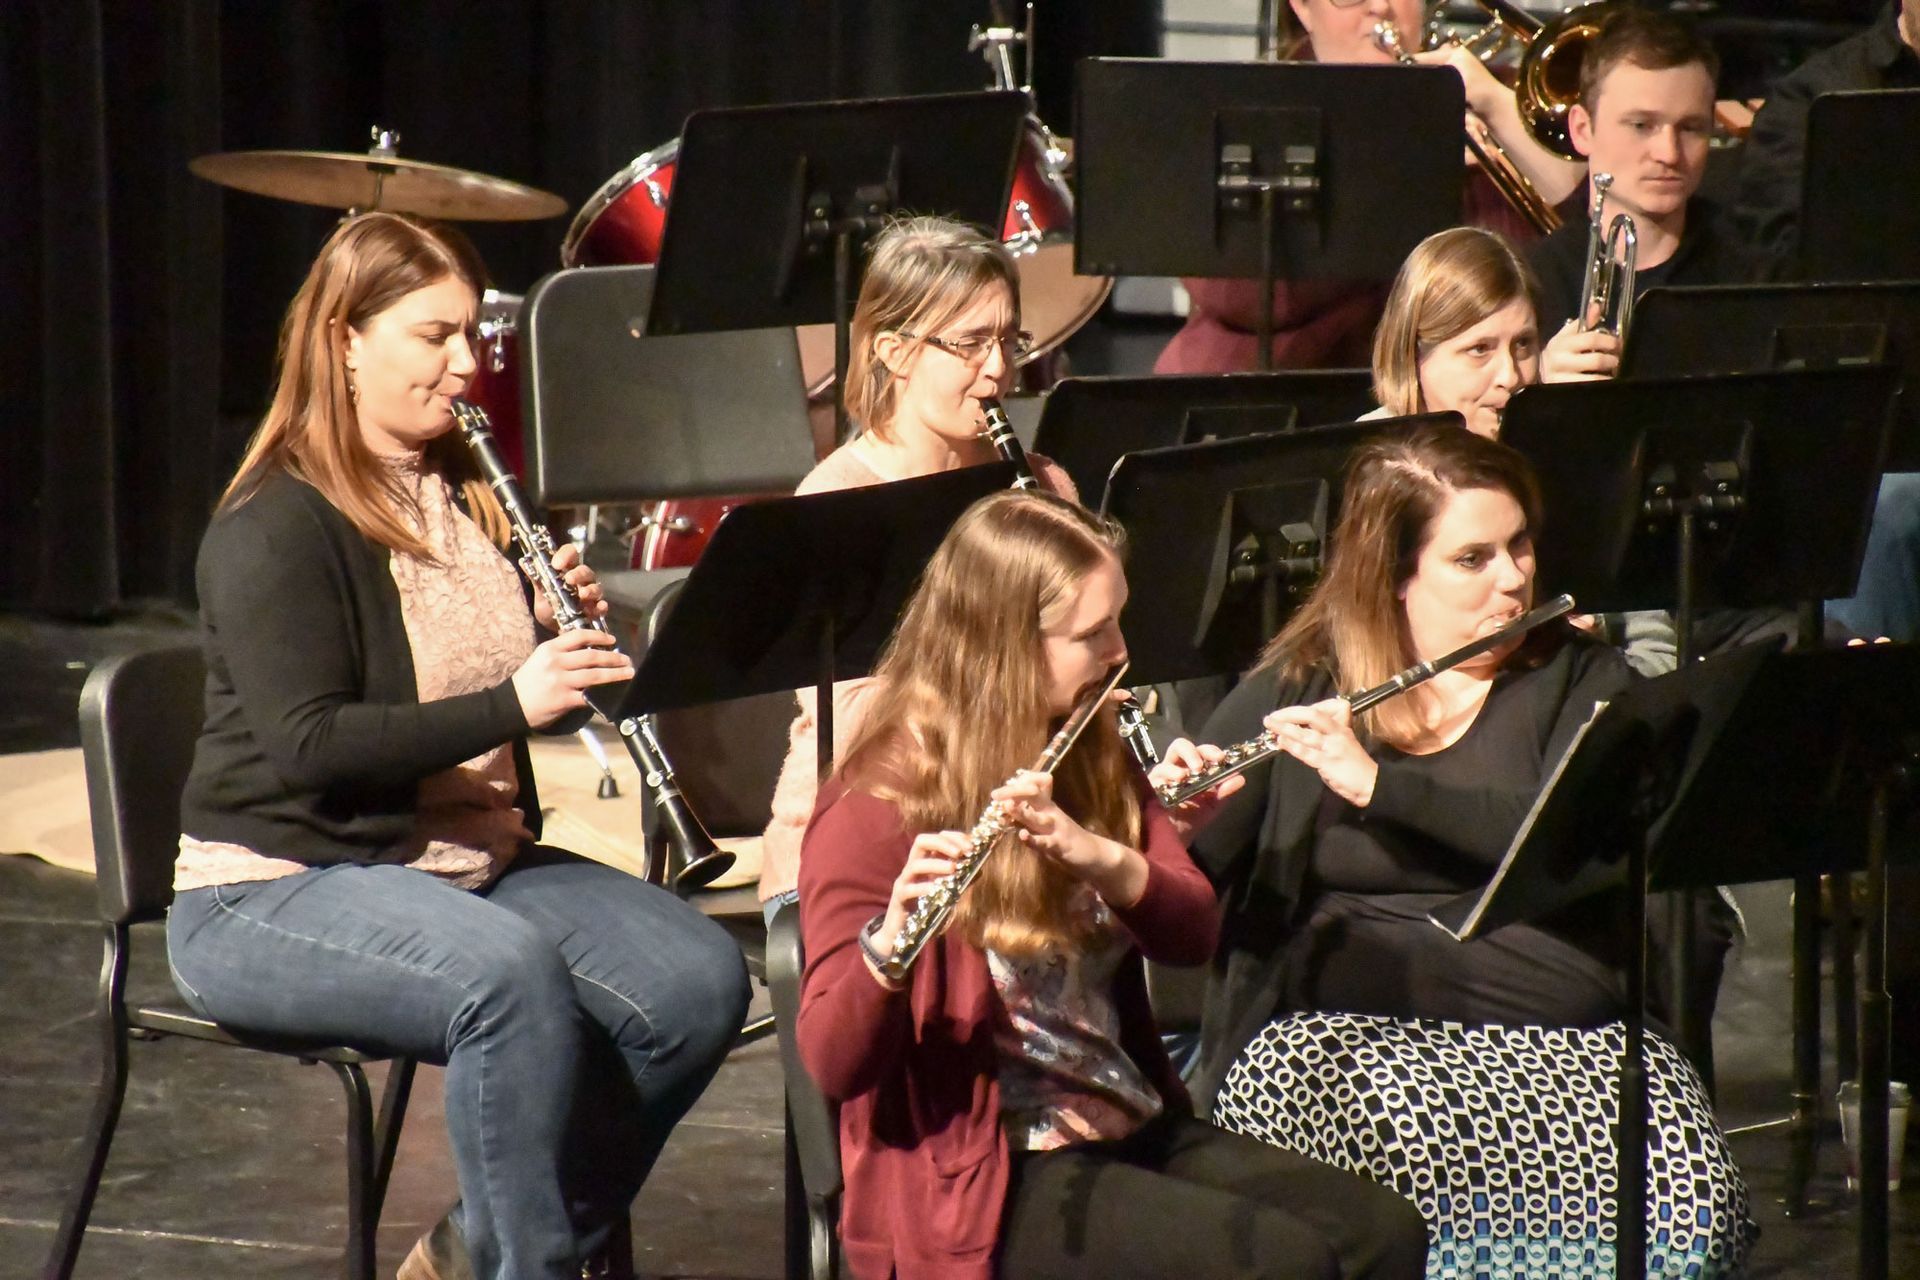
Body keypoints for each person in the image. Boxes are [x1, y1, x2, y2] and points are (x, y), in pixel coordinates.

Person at [165, 211, 750, 1280]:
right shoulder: (275, 520)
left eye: (471, 333)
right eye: (432, 335)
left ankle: (476, 1246)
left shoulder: (463, 490)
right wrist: (513, 700)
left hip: (455, 859)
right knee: (508, 977)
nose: (464, 363)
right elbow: (310, 747)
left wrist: (554, 650)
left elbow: (525, 711)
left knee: (697, 976)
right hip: (277, 880)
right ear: (345, 339)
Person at [1152, 425, 1752, 1275]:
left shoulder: (1583, 681)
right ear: (1396, 579)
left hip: (1562, 1041)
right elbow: (1180, 897)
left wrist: (1380, 788)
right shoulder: (1305, 684)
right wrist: (1181, 823)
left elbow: (1566, 840)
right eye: (1473, 559)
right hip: (1345, 1046)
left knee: (1688, 1204)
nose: (1514, 578)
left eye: (1520, 546)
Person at [794, 489, 1429, 1280]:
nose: (1120, 651)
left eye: (1117, 621)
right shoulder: (876, 804)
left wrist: (1097, 854)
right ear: (1003, 647)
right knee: (1283, 1264)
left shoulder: (1088, 748)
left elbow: (1191, 934)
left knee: (1380, 1232)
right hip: (991, 1169)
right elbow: (830, 1062)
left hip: (1124, 1117)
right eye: (1092, 634)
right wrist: (889, 950)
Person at [758, 215, 1077, 925]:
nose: (996, 369)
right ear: (894, 352)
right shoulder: (835, 504)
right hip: (869, 842)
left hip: (1023, 822)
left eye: (1007, 340)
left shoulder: (1041, 485)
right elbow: (864, 730)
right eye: (968, 345)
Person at [1155, 0, 1576, 377]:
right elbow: (1236, 295)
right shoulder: (1255, 111)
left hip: (1479, 391)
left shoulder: (1492, 93)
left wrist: (1498, 107)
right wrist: (1399, 170)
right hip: (1296, 383)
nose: (1381, 7)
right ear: (1302, 7)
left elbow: (1577, 237)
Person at [1526, 7, 1764, 368]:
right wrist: (1539, 391)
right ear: (1582, 130)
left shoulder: (1757, 278)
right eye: (1641, 125)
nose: (1668, 153)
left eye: (1690, 128)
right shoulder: (1530, 283)